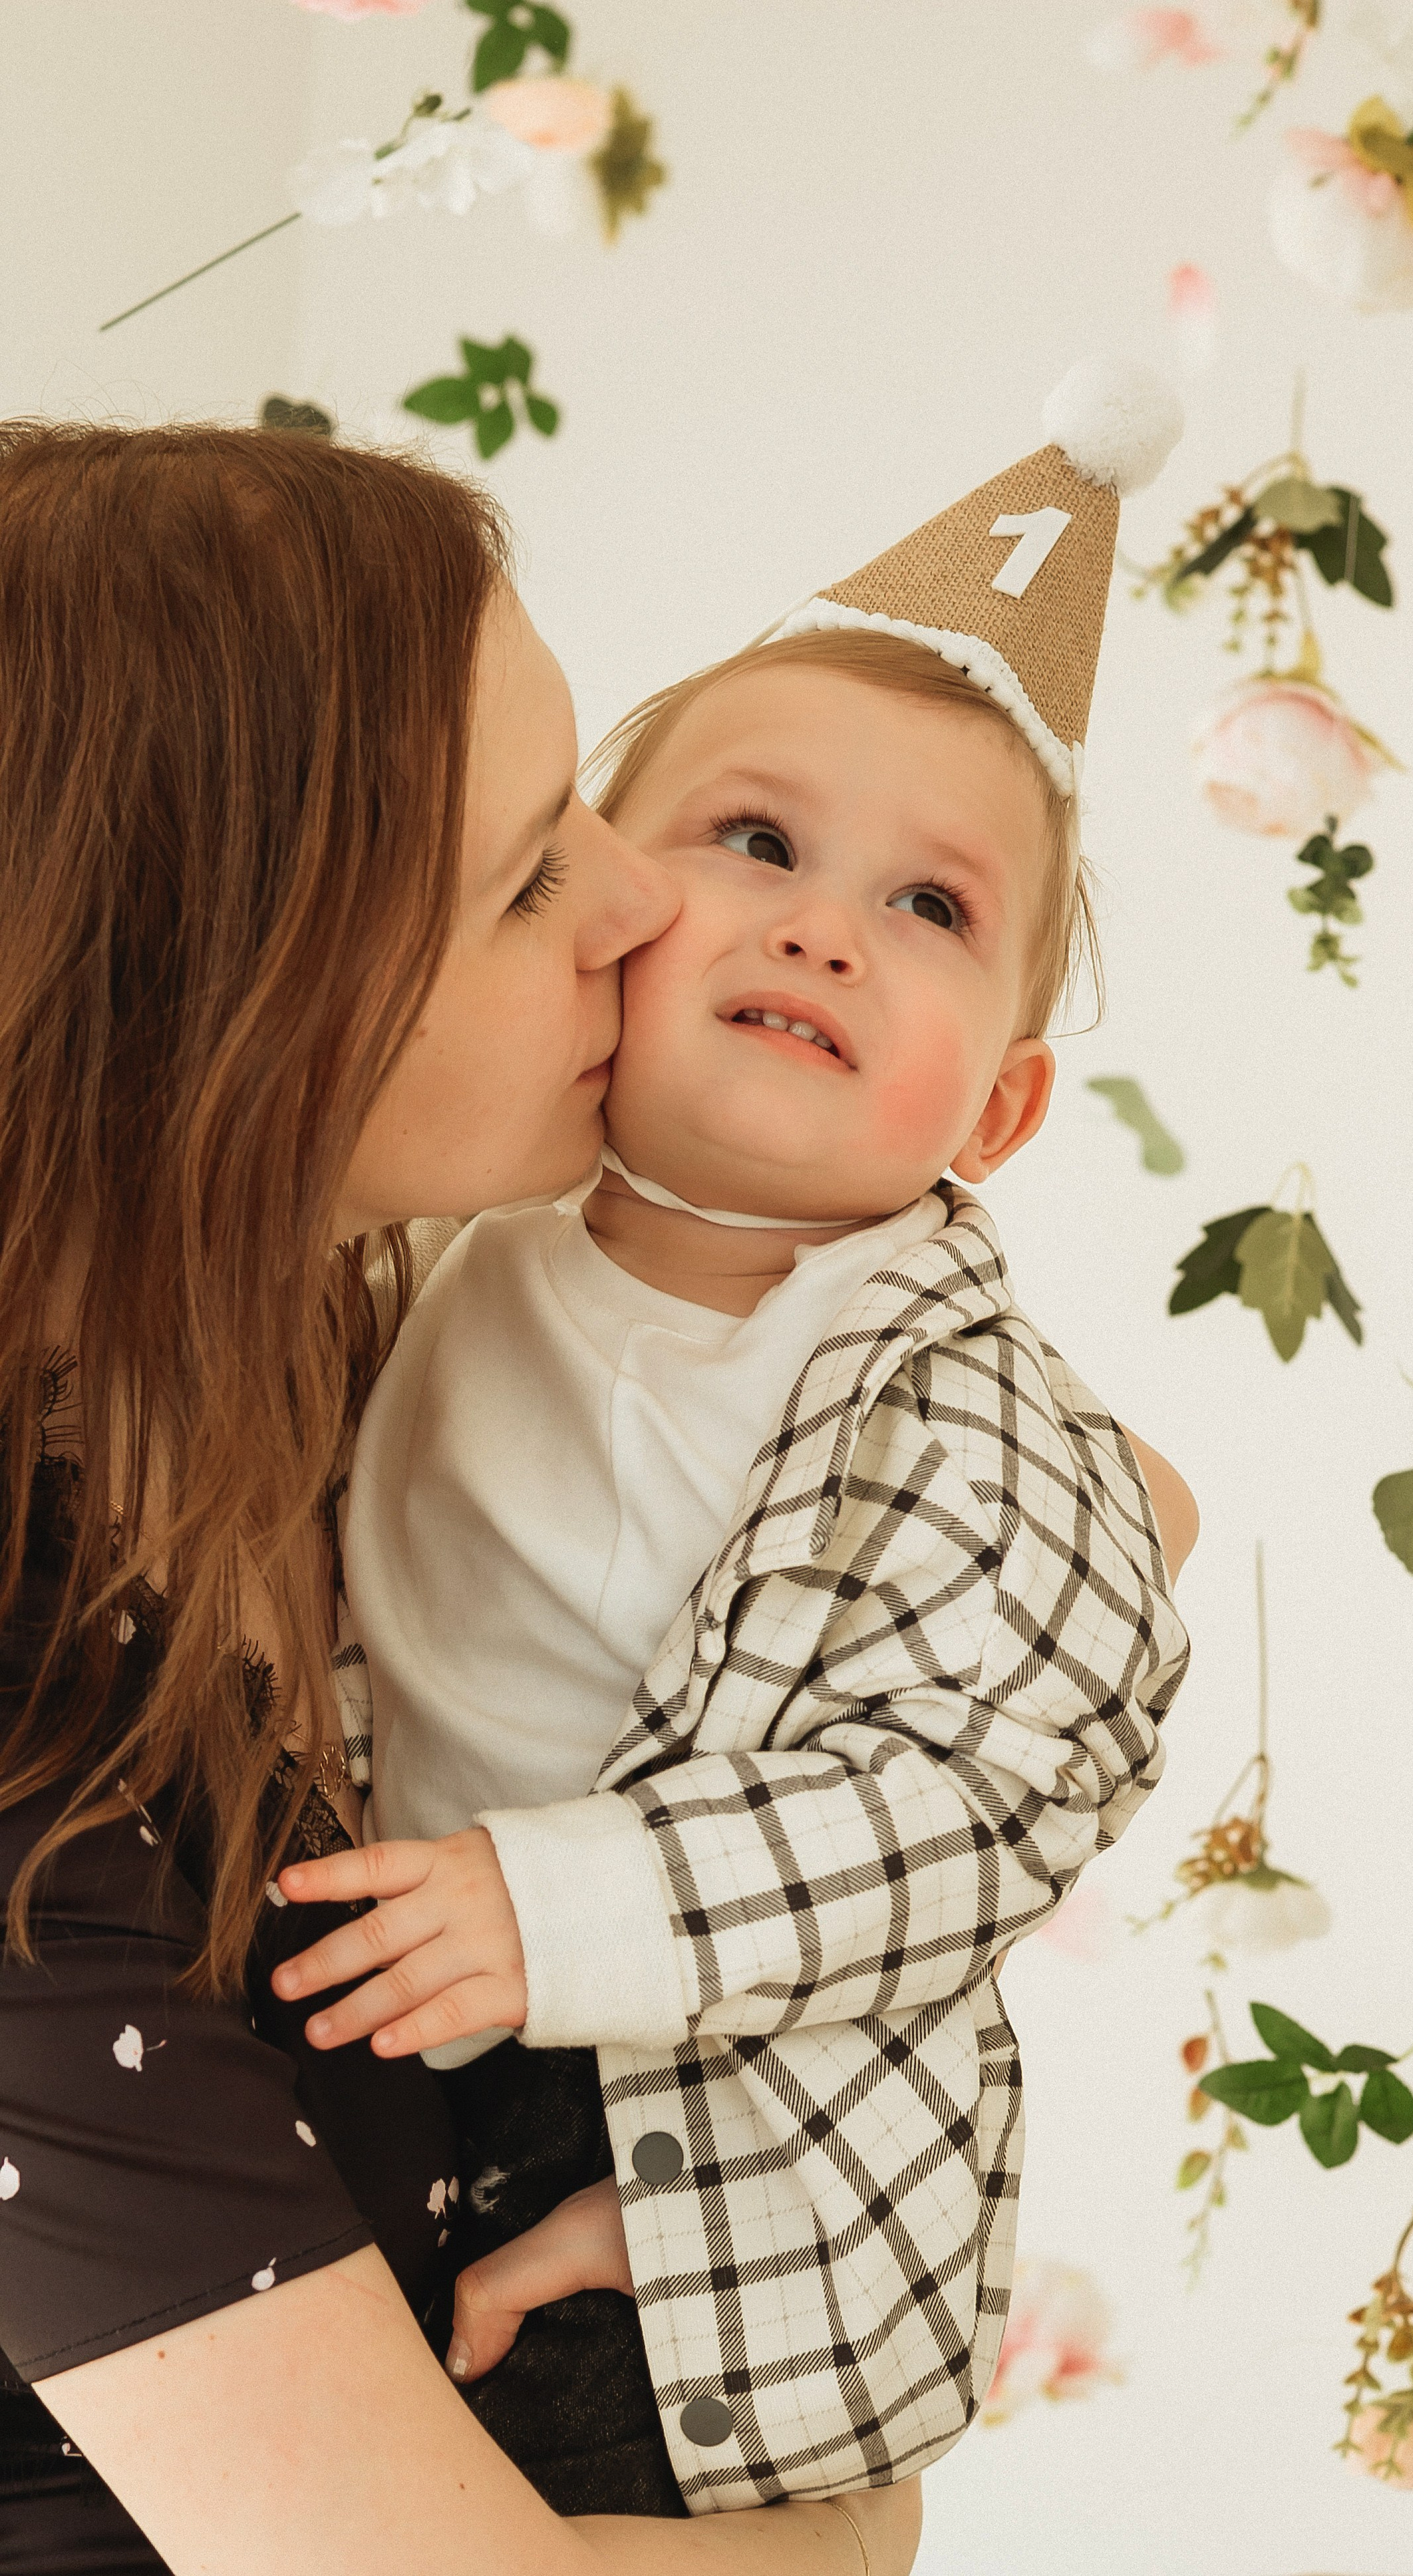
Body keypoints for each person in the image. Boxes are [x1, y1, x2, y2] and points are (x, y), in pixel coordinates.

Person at [271, 362, 1198, 2516]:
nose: (821, 925)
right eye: (758, 843)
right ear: (596, 904)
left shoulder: (960, 1403)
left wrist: (572, 1920)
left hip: (727, 2129)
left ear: (996, 1115)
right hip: (398, 2009)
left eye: (930, 911)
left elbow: (986, 1793)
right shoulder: (436, 1244)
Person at [0, 419, 918, 2576]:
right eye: (526, 874)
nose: (644, 896)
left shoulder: (354, 1366)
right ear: (216, 1027)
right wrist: (853, 2518)